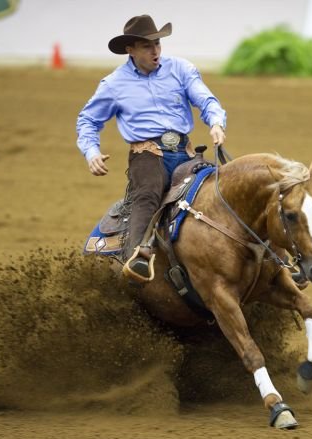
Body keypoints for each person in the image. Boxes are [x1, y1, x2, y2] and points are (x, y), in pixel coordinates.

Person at [76, 14, 227, 282]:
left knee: (220, 188)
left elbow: (205, 99)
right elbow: (88, 119)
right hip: (147, 154)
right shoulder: (114, 84)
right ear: (130, 50)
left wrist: (215, 122)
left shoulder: (181, 69)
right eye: (147, 46)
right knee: (147, 194)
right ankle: (137, 258)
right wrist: (92, 152)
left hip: (186, 153)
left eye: (157, 43)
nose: (155, 50)